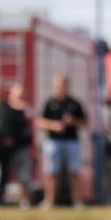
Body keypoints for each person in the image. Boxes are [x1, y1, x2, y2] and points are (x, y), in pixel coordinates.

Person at [37, 73, 89, 208]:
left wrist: (73, 122)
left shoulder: (74, 103)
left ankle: (77, 201)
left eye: (63, 86)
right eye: (58, 86)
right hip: (53, 142)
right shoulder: (50, 102)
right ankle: (49, 201)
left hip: (71, 141)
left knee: (74, 171)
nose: (61, 88)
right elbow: (40, 122)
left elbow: (85, 123)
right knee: (51, 172)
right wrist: (53, 126)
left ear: (67, 86)